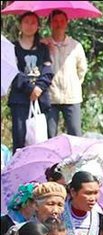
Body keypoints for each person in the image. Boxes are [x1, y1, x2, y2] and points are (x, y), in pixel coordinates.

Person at [8, 12, 53, 152]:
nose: (29, 25)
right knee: (20, 139)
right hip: (20, 100)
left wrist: (39, 87)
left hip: (40, 99)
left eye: (33, 22)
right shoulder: (12, 48)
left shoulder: (43, 48)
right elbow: (13, 71)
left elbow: (48, 70)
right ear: (20, 25)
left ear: (38, 26)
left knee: (41, 140)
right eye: (26, 22)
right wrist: (29, 88)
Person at [43, 9, 87, 137]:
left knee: (75, 133)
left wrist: (74, 84)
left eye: (62, 21)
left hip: (72, 96)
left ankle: (76, 158)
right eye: (55, 21)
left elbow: (82, 69)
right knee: (50, 135)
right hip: (50, 96)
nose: (59, 24)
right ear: (50, 23)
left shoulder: (75, 46)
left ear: (67, 23)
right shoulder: (44, 44)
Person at [63, 171, 102, 235]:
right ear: (73, 192)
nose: (93, 198)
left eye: (96, 193)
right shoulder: (58, 217)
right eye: (88, 193)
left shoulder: (101, 219)